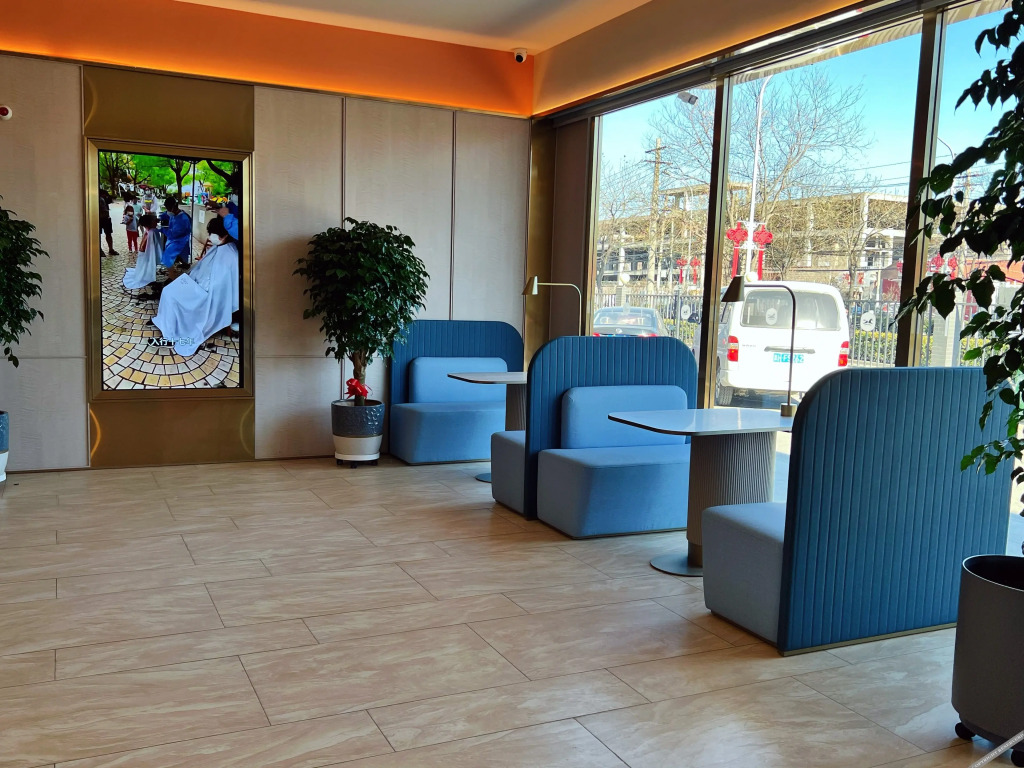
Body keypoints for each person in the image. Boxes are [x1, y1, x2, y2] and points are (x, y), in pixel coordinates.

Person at [150, 216, 239, 357]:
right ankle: (166, 323)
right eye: (209, 233)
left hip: (207, 293)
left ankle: (173, 330)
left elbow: (220, 284)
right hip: (199, 284)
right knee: (168, 290)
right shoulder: (219, 248)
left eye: (213, 233)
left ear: (225, 235)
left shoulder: (230, 255)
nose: (210, 237)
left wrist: (197, 287)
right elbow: (202, 269)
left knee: (172, 296)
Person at [124, 213, 162, 293]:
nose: (156, 223)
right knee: (146, 264)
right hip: (146, 252)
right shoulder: (151, 232)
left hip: (145, 252)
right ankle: (148, 275)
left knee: (146, 263)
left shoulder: (151, 231)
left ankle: (148, 273)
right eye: (154, 221)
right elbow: (146, 244)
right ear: (150, 223)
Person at [160, 196, 192, 269]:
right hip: (174, 240)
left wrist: (162, 229)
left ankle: (172, 274)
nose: (167, 211)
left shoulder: (183, 219)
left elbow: (174, 234)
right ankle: (182, 263)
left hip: (180, 241)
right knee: (176, 255)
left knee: (168, 255)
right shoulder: (174, 215)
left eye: (168, 209)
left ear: (173, 207)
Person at [98, 190, 118, 256]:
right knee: (101, 234)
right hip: (101, 218)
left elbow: (109, 201)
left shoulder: (103, 199)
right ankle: (101, 250)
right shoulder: (100, 199)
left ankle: (110, 249)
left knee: (108, 234)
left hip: (106, 218)